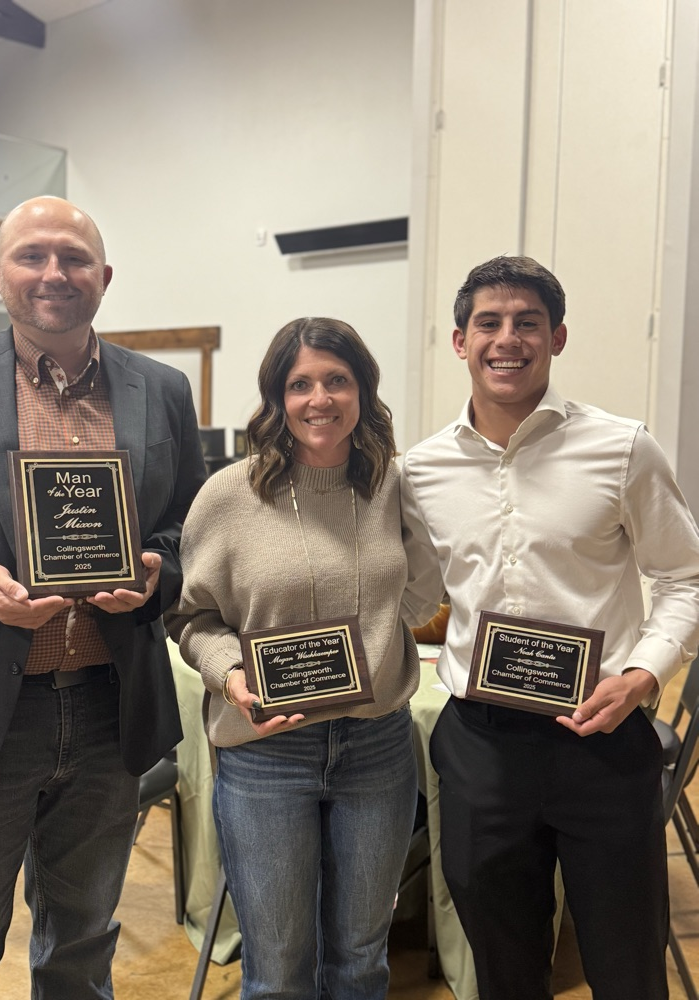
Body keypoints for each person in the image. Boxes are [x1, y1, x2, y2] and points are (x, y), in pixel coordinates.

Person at [400, 255, 699, 1000]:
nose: (508, 339)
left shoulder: (623, 448)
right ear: (459, 341)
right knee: (502, 973)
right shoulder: (422, 470)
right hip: (479, 749)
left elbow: (684, 577)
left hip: (602, 741)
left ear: (557, 337)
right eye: (489, 323)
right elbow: (411, 596)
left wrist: (643, 675)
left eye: (527, 323)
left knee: (626, 968)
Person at [0, 196, 205, 999]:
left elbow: (189, 527)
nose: (54, 273)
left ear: (104, 277)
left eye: (74, 257)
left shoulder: (160, 388)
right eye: (33, 255)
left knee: (83, 938)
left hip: (108, 706)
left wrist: (158, 571)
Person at [167, 317, 419, 1000]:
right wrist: (232, 676)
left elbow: (421, 599)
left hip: (377, 749)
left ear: (362, 390)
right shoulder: (229, 496)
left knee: (362, 959)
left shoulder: (394, 486)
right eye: (299, 383)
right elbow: (191, 618)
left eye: (337, 380)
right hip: (265, 753)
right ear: (276, 397)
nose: (320, 399)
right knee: (277, 970)